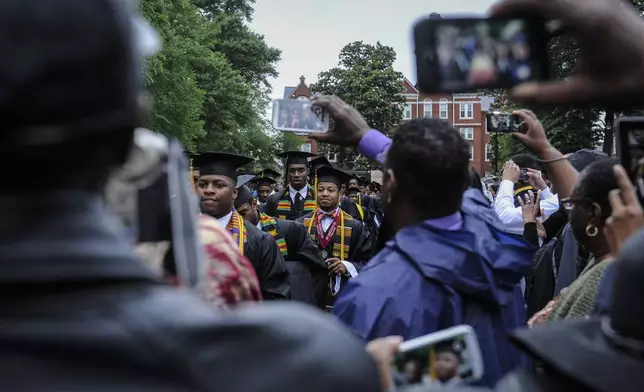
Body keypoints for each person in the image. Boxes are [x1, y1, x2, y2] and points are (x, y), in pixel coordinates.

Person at [0, 1, 384, 390]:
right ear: (135, 128)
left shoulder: (262, 236)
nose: (210, 190)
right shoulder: (297, 363)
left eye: (219, 185)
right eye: (205, 183)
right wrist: (370, 141)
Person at [310, 96, 533, 387]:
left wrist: (365, 137)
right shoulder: (492, 235)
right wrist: (368, 138)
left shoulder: (370, 295)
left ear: (389, 184)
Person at [529, 158, 619, 325]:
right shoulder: (607, 256)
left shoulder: (599, 282)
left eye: (570, 204)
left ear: (593, 214)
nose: (567, 210)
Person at [194, 152, 291, 300]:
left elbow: (276, 296)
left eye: (218, 185)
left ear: (234, 193)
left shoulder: (260, 241)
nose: (208, 189)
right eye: (202, 184)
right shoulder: (177, 232)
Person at [235, 179, 328, 307]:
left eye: (242, 214)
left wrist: (309, 303)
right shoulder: (230, 237)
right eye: (234, 216)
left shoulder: (290, 230)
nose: (239, 221)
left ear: (254, 204)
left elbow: (318, 270)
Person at [297, 165, 373, 309]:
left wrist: (347, 266)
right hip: (310, 295)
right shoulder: (301, 224)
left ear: (340, 193)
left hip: (344, 296)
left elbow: (368, 263)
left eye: (330, 190)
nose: (325, 193)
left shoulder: (355, 226)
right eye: (320, 189)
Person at [494, 153, 559, 235]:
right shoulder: (555, 201)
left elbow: (503, 218)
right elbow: (556, 206)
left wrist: (507, 180)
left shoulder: (522, 201)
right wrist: (544, 188)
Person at [265, 151, 316, 220]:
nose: (296, 175)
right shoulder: (274, 199)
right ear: (287, 173)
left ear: (307, 171)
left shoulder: (317, 198)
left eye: (301, 170)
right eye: (292, 171)